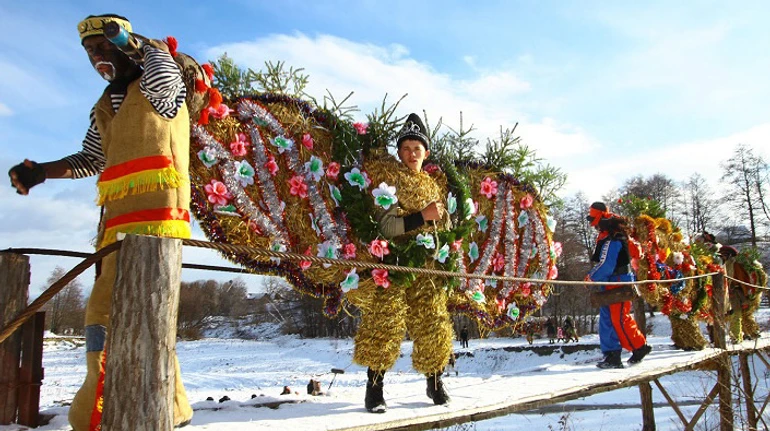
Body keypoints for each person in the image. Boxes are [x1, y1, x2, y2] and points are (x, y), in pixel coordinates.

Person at [8, 14, 193, 429]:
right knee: (108, 313)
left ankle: (111, 408)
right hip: (116, 223)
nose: (97, 57)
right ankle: (151, 405)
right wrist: (43, 172)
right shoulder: (107, 104)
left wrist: (133, 42)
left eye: (103, 48)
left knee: (140, 309)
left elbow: (162, 67)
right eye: (90, 51)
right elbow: (91, 159)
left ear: (127, 48)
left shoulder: (159, 86)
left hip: (157, 220)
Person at [352, 113, 453, 413]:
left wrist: (444, 218)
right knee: (385, 322)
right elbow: (386, 226)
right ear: (399, 152)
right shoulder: (391, 179)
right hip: (394, 265)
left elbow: (443, 224)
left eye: (417, 148)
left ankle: (435, 383)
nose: (411, 154)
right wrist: (422, 216)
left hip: (427, 268)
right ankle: (375, 390)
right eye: (406, 148)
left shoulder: (433, 185)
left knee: (432, 321)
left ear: (426, 153)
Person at [585, 202, 651, 369]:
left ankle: (638, 347)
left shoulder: (614, 238)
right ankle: (612, 354)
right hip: (609, 282)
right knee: (607, 318)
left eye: (594, 220)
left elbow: (607, 264)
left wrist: (591, 277)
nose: (592, 224)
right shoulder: (608, 236)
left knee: (619, 318)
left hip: (618, 280)